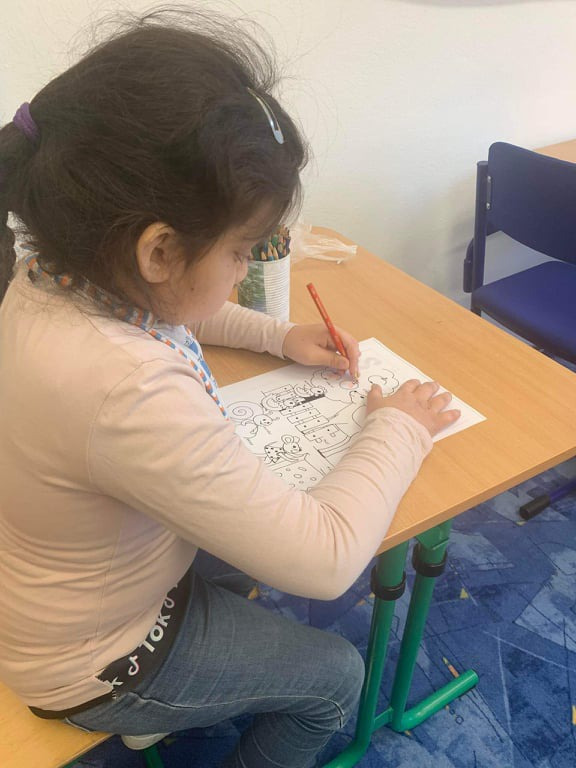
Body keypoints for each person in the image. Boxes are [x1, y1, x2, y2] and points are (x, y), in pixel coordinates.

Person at [0, 9, 460, 768]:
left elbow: (172, 308)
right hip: (96, 660)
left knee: (261, 532)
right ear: (159, 250)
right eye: (243, 251)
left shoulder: (46, 276)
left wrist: (278, 336)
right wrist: (399, 426)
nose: (246, 266)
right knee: (335, 679)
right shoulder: (125, 389)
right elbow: (324, 561)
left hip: (72, 583)